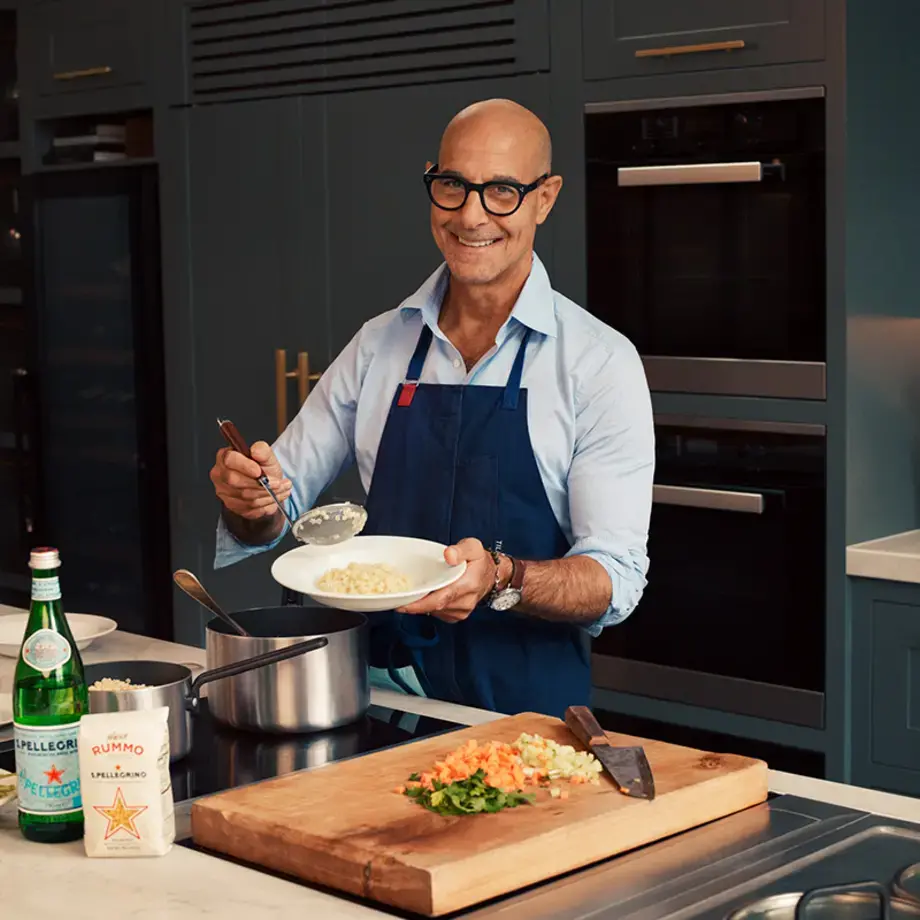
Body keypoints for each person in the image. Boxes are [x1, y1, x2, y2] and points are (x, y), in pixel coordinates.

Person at [210, 98, 654, 718]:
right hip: (374, 701)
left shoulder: (599, 364)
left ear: (545, 199)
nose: (471, 215)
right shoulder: (378, 345)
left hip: (520, 721)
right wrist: (249, 501)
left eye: (501, 190)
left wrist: (502, 577)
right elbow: (279, 510)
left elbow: (614, 579)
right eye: (452, 186)